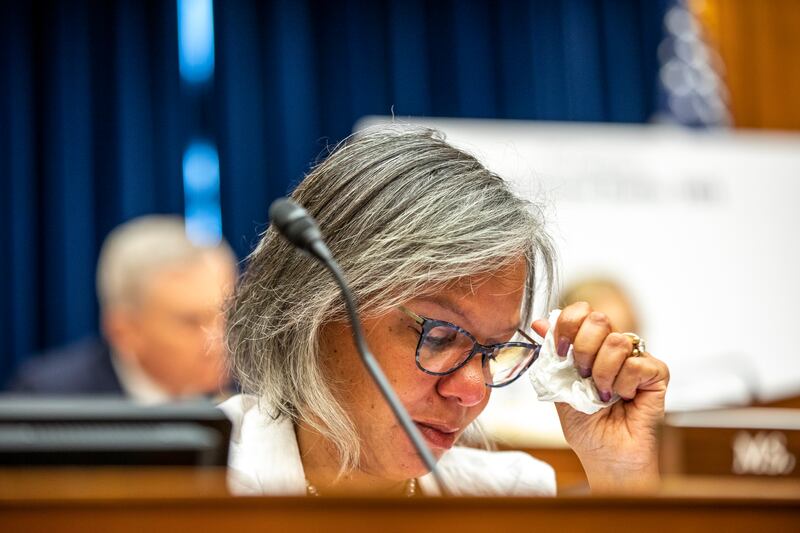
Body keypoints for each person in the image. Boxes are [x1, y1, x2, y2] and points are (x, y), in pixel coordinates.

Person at [221, 126, 670, 496]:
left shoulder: (510, 498)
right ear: (316, 310)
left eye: (493, 352)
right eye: (438, 337)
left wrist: (620, 477)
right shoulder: (191, 487)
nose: (473, 391)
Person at [8, 215, 237, 403]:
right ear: (123, 331)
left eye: (228, 314)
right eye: (190, 321)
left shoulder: (255, 393)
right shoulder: (47, 398)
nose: (220, 340)